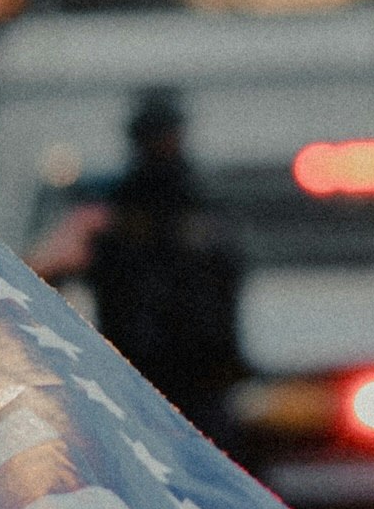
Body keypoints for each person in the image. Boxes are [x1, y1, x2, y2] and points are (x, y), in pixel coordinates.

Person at [75, 90, 247, 439]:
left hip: (199, 370)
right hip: (141, 366)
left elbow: (226, 281)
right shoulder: (120, 209)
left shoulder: (197, 203)